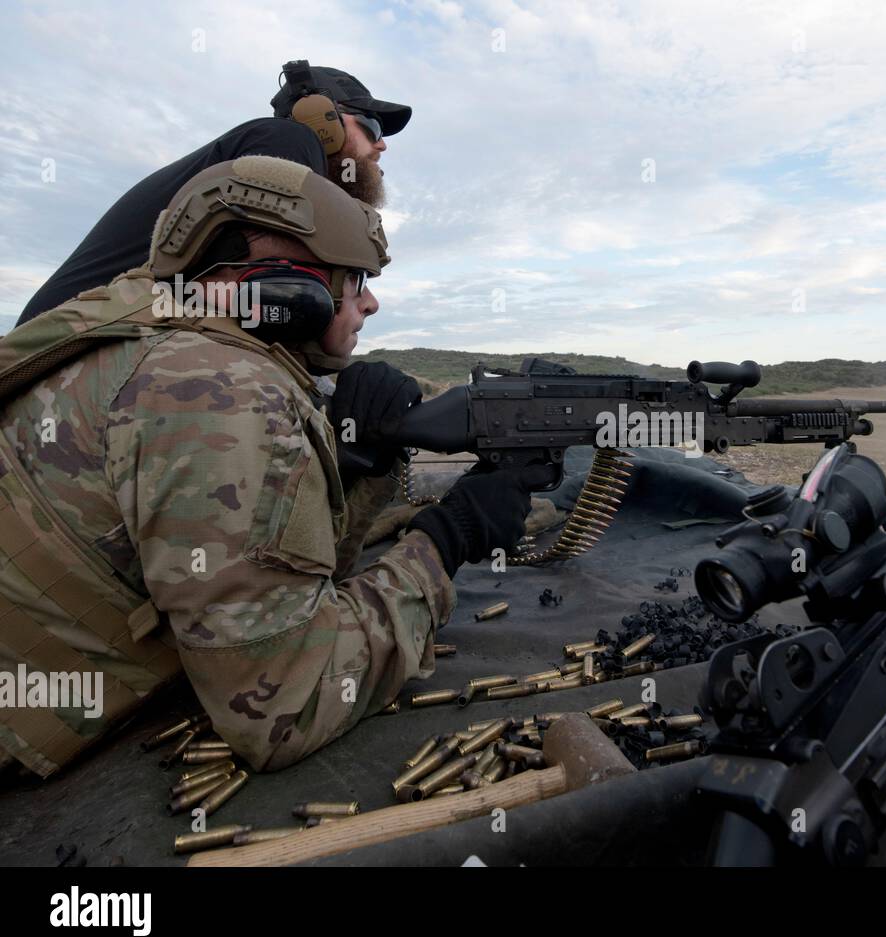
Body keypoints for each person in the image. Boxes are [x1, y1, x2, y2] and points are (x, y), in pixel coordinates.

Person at [0, 156, 542, 777]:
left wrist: (355, 465)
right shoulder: (218, 391)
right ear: (290, 293)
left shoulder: (149, 328)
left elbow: (295, 589)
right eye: (354, 278)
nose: (370, 301)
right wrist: (447, 539)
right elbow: (287, 705)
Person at [17, 60, 409, 325]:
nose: (382, 146)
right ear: (319, 119)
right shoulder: (288, 137)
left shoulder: (256, 166)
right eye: (371, 126)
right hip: (65, 359)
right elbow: (274, 304)